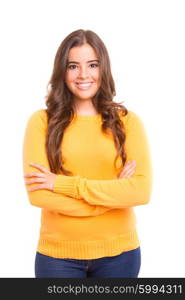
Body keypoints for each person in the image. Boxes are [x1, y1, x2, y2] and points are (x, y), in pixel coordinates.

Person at [22, 29, 153, 278]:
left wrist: (61, 184)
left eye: (92, 65)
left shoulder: (127, 122)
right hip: (57, 259)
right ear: (62, 71)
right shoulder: (41, 122)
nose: (84, 75)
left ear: (103, 69)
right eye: (73, 66)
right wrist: (110, 197)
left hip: (120, 256)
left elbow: (141, 191)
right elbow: (39, 195)